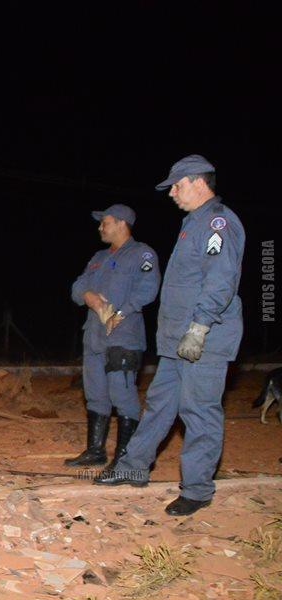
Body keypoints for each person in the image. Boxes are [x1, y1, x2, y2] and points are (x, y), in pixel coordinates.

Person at [95, 155, 246, 517]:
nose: (173, 193)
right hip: (178, 341)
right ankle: (134, 466)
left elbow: (221, 279)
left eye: (177, 185)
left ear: (197, 182)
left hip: (203, 339)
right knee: (160, 405)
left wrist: (199, 327)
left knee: (199, 412)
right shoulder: (192, 224)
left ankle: (197, 489)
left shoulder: (217, 223)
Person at [67, 204, 160, 468]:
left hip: (123, 335)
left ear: (121, 223)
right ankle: (95, 451)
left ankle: (125, 457)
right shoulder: (98, 256)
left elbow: (148, 289)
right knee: (95, 393)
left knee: (123, 395)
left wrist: (121, 311)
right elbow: (78, 286)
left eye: (104, 222)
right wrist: (89, 297)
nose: (100, 227)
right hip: (94, 336)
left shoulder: (142, 254)